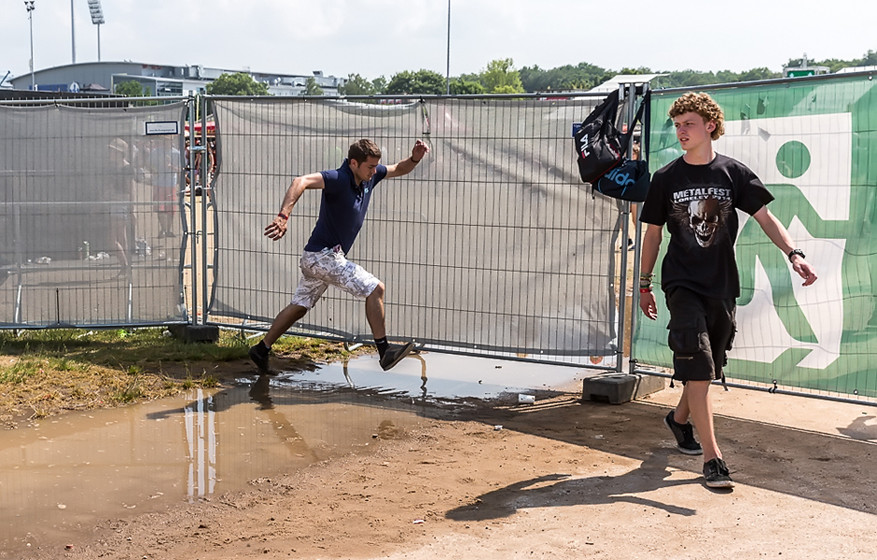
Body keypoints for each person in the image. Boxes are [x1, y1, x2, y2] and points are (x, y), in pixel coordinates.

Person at [637, 92, 817, 489]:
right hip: (680, 283)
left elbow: (766, 218)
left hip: (721, 285)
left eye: (689, 124)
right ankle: (712, 459)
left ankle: (679, 419)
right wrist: (644, 284)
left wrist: (794, 254)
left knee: (707, 367)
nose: (681, 131)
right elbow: (652, 234)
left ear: (710, 127)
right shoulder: (666, 178)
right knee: (698, 362)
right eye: (678, 125)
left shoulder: (733, 173)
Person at [249, 138, 429, 373]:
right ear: (354, 163)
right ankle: (385, 351)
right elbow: (300, 181)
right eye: (370, 167)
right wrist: (283, 216)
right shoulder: (338, 178)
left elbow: (400, 169)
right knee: (376, 289)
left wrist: (415, 157)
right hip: (323, 257)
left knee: (300, 305)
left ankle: (261, 349)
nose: (374, 171)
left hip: (319, 258)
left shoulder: (369, 177)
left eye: (376, 167)